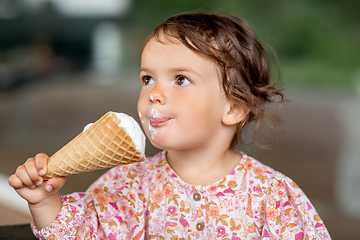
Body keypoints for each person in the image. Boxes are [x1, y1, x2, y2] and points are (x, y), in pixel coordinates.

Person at [8, 12, 331, 239]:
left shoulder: (273, 197)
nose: (154, 95)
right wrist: (45, 202)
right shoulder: (125, 184)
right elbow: (82, 234)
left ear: (233, 107)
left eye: (181, 79)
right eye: (147, 78)